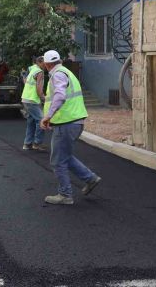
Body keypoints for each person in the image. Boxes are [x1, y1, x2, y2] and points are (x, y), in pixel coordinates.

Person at [40, 50, 101, 205]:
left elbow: (60, 96)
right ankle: (90, 178)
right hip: (74, 121)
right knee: (65, 156)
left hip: (65, 123)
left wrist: (48, 116)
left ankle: (65, 195)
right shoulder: (67, 72)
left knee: (57, 161)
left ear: (47, 65)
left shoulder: (57, 75)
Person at [21, 56, 47, 151]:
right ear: (40, 62)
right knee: (42, 120)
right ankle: (37, 143)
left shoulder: (32, 69)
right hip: (32, 100)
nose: (46, 65)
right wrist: (43, 98)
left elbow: (25, 82)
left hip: (26, 99)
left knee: (31, 122)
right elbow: (39, 88)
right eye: (45, 63)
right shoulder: (39, 72)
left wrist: (23, 75)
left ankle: (27, 144)